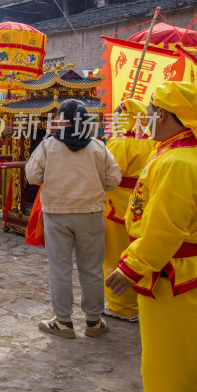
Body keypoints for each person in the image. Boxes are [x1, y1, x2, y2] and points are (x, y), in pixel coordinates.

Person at [106, 82, 197, 391]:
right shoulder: (174, 152)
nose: (146, 117)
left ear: (167, 115)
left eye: (151, 111)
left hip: (172, 271)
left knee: (168, 356)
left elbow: (165, 227)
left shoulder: (177, 162)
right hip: (175, 263)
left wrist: (133, 265)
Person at [26, 99, 121, 339]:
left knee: (60, 268)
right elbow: (114, 179)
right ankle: (93, 321)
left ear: (61, 119)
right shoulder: (99, 146)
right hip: (90, 213)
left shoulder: (48, 146)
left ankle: (64, 322)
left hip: (57, 214)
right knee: (91, 268)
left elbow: (32, 175)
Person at [101, 99, 155, 323]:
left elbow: (106, 176)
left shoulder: (120, 143)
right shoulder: (152, 143)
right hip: (140, 206)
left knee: (115, 255)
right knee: (136, 253)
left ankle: (121, 306)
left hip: (116, 207)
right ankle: (136, 302)